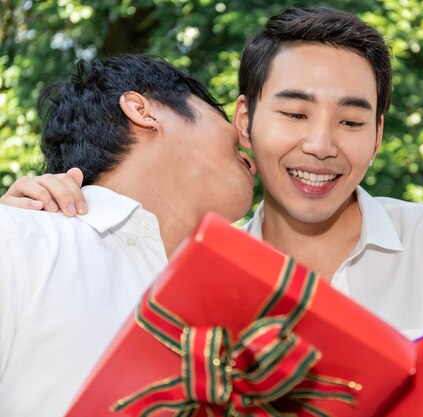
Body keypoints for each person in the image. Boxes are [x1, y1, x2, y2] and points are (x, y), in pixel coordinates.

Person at [2, 7, 423, 340]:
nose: (320, 145)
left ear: (378, 136)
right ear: (245, 122)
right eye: (295, 115)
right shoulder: (192, 289)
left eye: (351, 121)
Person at [0, 54, 256, 416]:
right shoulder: (19, 242)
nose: (249, 146)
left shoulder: (246, 314)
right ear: (142, 110)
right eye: (222, 114)